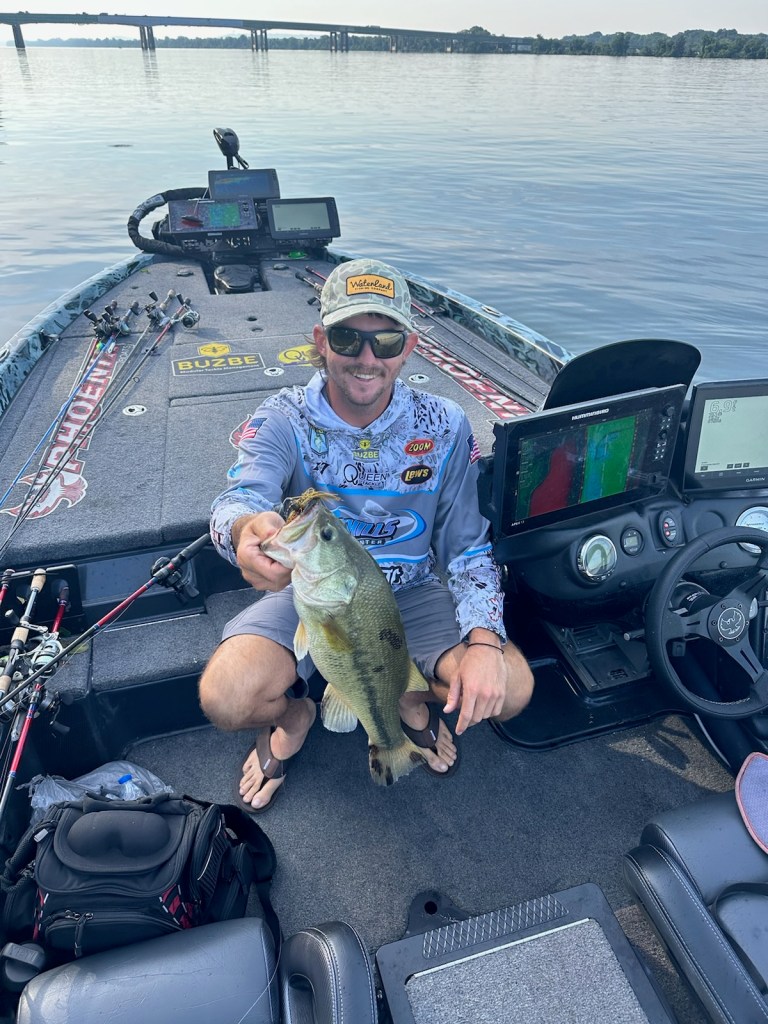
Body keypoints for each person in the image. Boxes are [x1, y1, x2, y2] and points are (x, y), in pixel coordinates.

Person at [200, 258, 534, 811]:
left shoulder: (445, 424)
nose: (366, 357)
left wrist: (483, 643)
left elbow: (468, 547)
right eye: (347, 338)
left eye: (386, 341)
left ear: (408, 348)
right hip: (314, 596)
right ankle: (297, 714)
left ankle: (406, 700)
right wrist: (242, 531)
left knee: (511, 687)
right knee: (227, 697)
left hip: (413, 590)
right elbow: (239, 499)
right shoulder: (283, 417)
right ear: (321, 341)